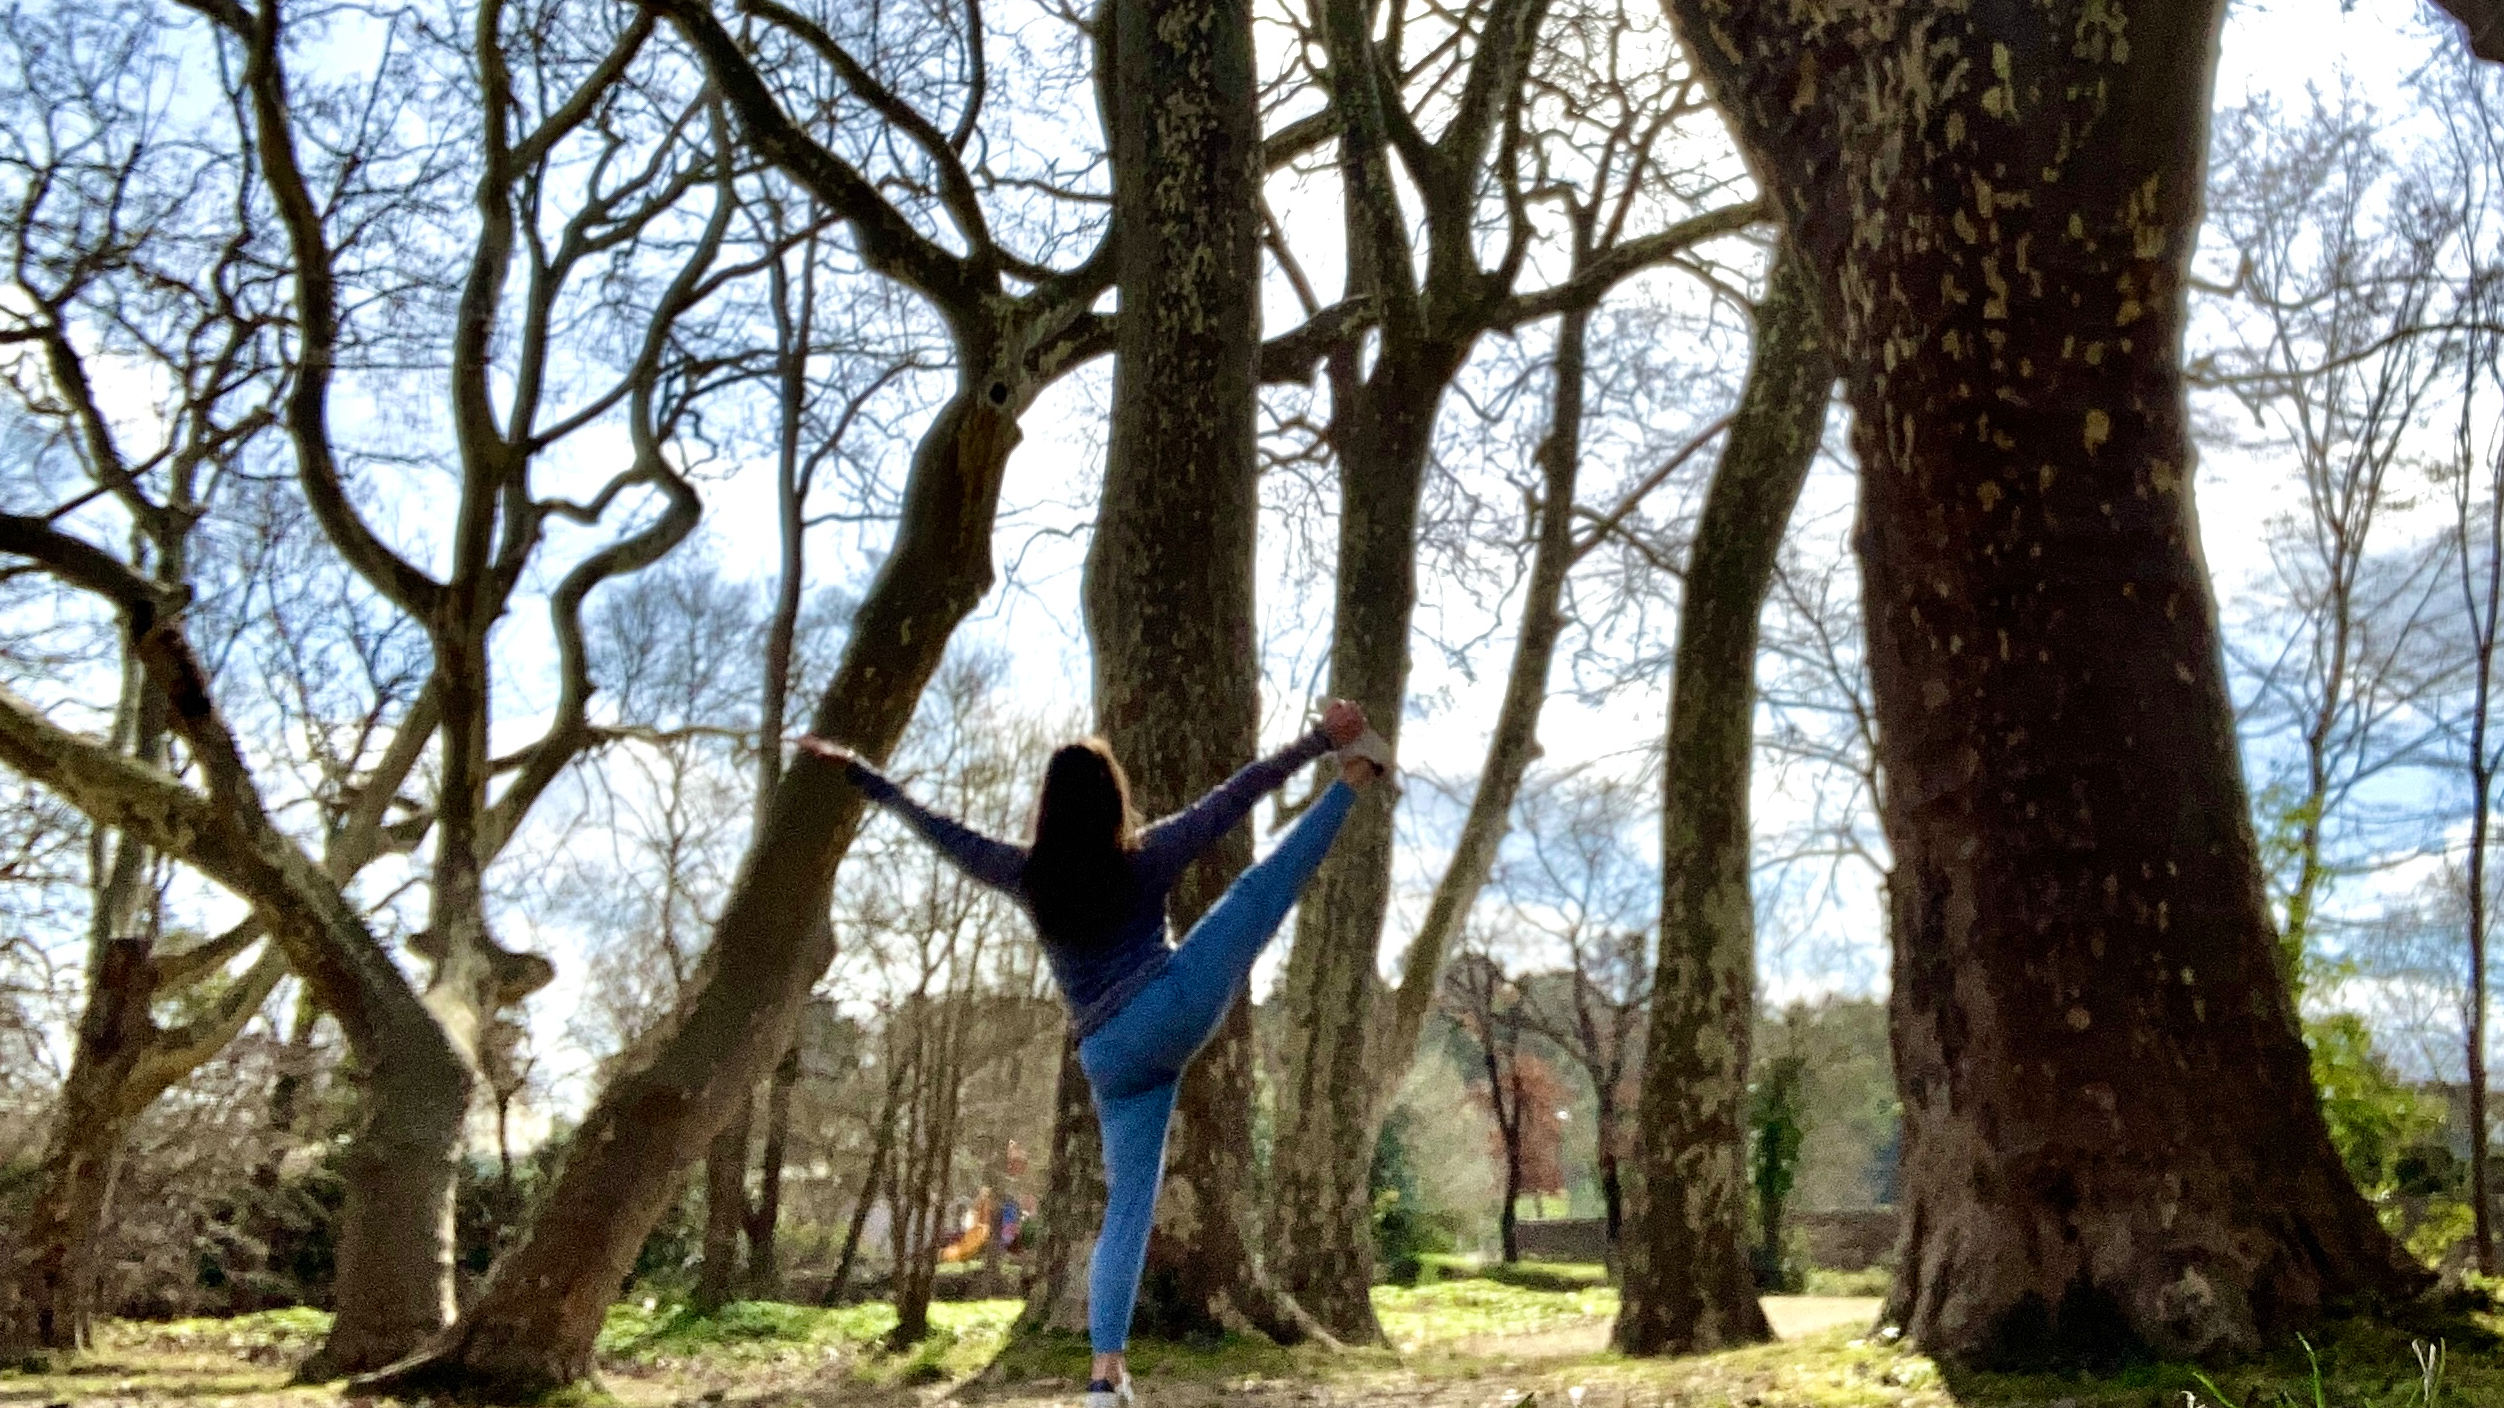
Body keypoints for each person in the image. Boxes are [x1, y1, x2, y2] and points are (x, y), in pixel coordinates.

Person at [798, 701, 1391, 1408]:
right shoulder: (1145, 855)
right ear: (1114, 798)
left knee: (1127, 1211)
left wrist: (865, 779)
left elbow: (942, 833)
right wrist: (1320, 742)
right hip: (1168, 1012)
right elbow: (1234, 798)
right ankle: (1354, 777)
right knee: (1258, 894)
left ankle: (1104, 1375)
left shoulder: (1025, 874)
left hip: (1110, 1059)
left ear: (1048, 809)